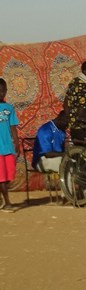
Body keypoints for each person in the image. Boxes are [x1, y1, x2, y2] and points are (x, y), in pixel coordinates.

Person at [0, 78, 20, 212]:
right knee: (1, 176)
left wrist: (16, 142)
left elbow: (13, 127)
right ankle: (7, 202)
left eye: (3, 91)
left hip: (8, 147)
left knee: (9, 175)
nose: (1, 93)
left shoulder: (9, 108)